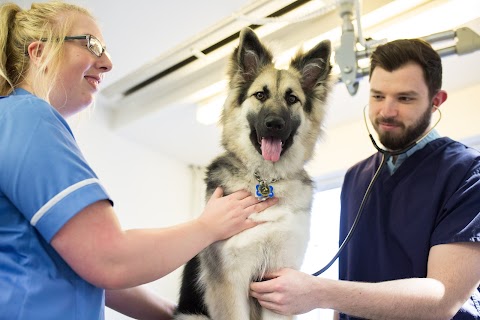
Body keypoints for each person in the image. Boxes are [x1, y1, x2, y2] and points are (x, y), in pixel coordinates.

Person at [0, 2, 278, 319]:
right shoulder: (29, 119)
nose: (107, 63)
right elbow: (110, 259)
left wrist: (176, 316)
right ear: (38, 53)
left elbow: (92, 270)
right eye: (91, 44)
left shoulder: (13, 122)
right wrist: (207, 227)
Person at [250, 38, 480, 319]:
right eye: (378, 96)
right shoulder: (356, 178)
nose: (386, 111)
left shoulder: (467, 172)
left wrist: (318, 292)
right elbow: (349, 277)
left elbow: (442, 299)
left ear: (436, 102)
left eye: (405, 98)